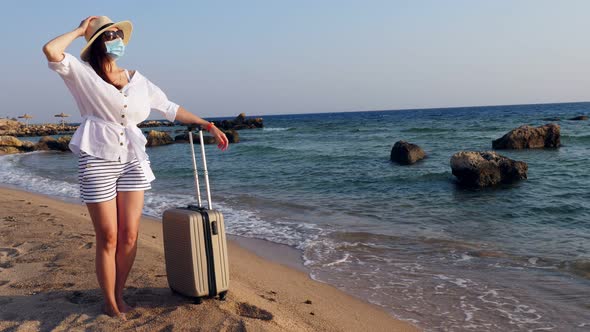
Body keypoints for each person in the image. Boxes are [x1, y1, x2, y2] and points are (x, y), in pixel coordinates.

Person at [42, 16, 229, 319]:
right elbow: (50, 50)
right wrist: (79, 31)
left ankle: (119, 294)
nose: (117, 38)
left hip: (133, 161)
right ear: (97, 43)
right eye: (109, 34)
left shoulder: (138, 79)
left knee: (129, 235)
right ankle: (108, 301)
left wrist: (206, 123)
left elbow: (170, 108)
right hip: (97, 159)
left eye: (119, 33)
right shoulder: (81, 72)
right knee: (108, 237)